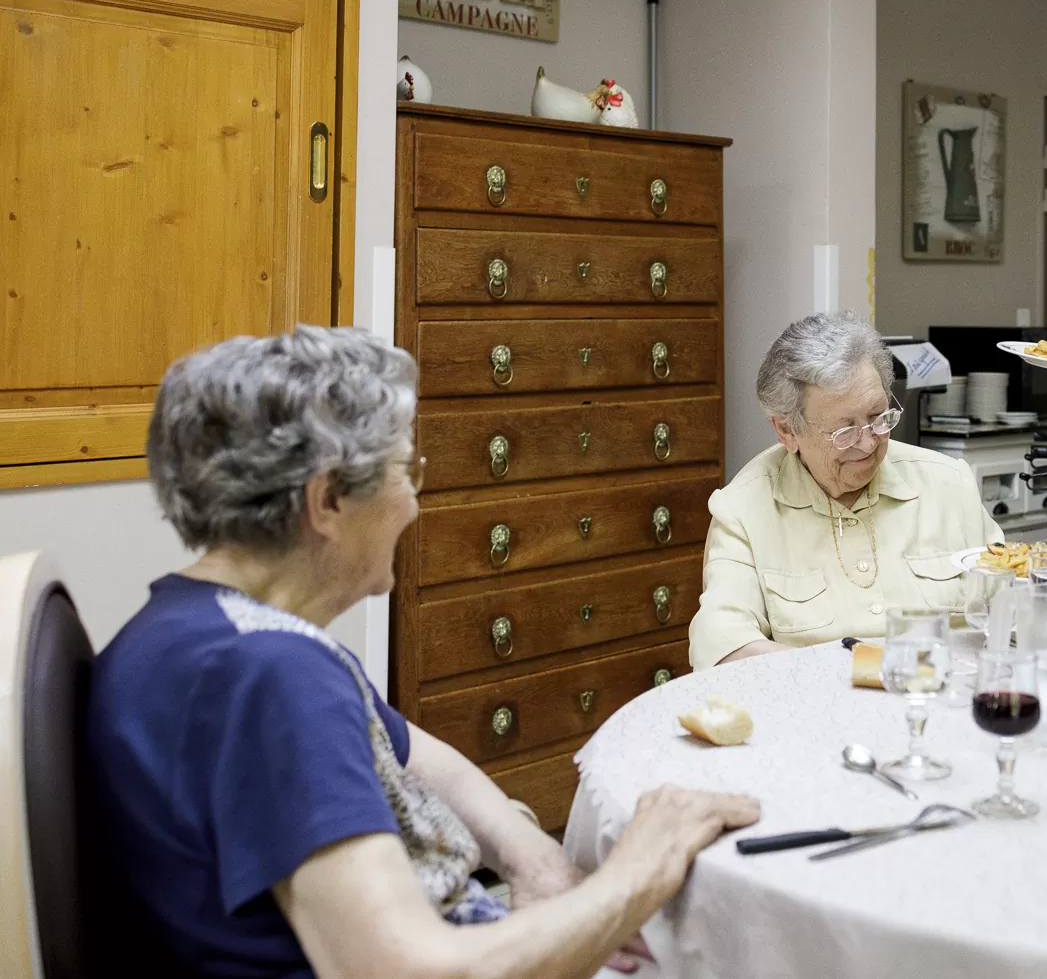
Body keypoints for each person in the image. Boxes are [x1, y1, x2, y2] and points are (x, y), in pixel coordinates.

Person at [86, 327, 759, 979]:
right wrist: (643, 868)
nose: (414, 499)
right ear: (327, 499)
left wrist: (535, 862)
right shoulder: (270, 676)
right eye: (406, 471)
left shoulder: (194, 628)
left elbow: (411, 751)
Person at [689, 312, 1003, 669]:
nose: (869, 443)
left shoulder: (949, 484)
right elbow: (721, 647)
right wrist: (861, 670)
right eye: (844, 431)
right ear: (787, 431)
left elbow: (1013, 610)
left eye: (878, 417)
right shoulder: (744, 509)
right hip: (816, 708)